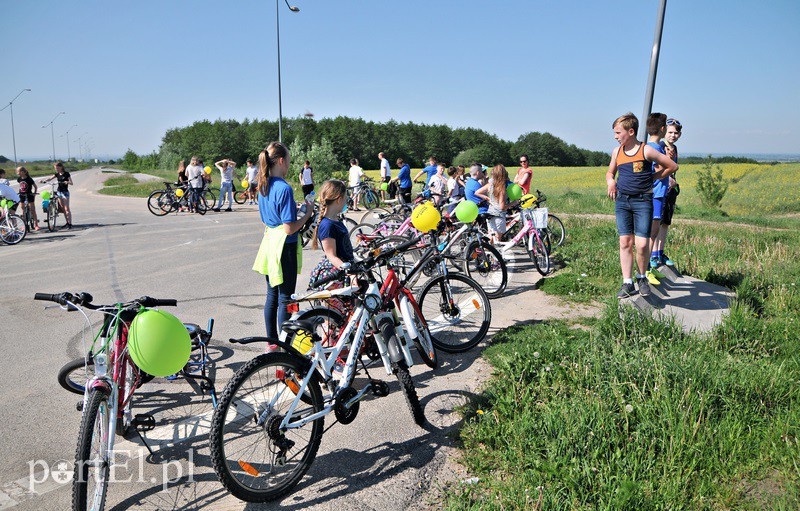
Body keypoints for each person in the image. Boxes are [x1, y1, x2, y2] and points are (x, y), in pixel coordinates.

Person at [606, 112, 677, 299]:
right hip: (622, 201)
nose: (615, 136)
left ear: (630, 131)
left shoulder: (645, 150)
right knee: (625, 242)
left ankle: (642, 277)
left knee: (643, 243)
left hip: (643, 201)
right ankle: (627, 282)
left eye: (617, 133)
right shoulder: (617, 152)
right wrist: (611, 182)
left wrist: (653, 177)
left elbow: (671, 166)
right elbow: (610, 173)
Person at [252, 142, 313, 341]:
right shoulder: (284, 188)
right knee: (285, 298)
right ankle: (285, 344)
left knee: (272, 295)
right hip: (284, 248)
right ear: (280, 161)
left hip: (269, 243)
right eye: (288, 161)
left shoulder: (263, 184)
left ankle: (272, 342)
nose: (288, 166)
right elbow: (289, 228)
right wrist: (307, 214)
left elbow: (266, 219)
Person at [309, 180, 354, 282]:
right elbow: (331, 256)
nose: (346, 201)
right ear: (339, 200)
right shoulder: (327, 225)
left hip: (345, 268)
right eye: (346, 198)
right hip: (338, 273)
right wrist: (350, 274)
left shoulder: (336, 221)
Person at [652, 118, 682, 268]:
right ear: (664, 131)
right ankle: (654, 254)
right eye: (670, 132)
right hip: (661, 188)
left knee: (666, 223)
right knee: (657, 222)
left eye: (676, 133)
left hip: (671, 190)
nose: (673, 135)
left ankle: (661, 252)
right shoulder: (661, 147)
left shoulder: (674, 148)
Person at [645, 113, 668, 285]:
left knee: (653, 232)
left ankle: (649, 268)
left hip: (656, 193)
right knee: (652, 233)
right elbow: (660, 167)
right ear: (662, 129)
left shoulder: (647, 146)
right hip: (657, 194)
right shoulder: (656, 148)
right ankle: (646, 269)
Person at [476, 165, 516, 244]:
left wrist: (488, 198)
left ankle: (486, 253)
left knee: (491, 238)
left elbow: (477, 192)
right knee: (497, 240)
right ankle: (485, 250)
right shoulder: (502, 188)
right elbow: (502, 207)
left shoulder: (490, 185)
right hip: (499, 216)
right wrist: (512, 203)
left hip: (490, 213)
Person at [41, 162, 73, 228]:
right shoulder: (57, 174)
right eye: (55, 168)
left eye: (57, 168)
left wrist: (67, 182)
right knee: (62, 208)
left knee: (66, 208)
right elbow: (50, 178)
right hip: (59, 192)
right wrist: (44, 181)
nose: (56, 169)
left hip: (65, 192)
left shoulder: (66, 174)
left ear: (61, 167)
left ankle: (69, 223)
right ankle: (67, 222)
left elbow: (71, 182)